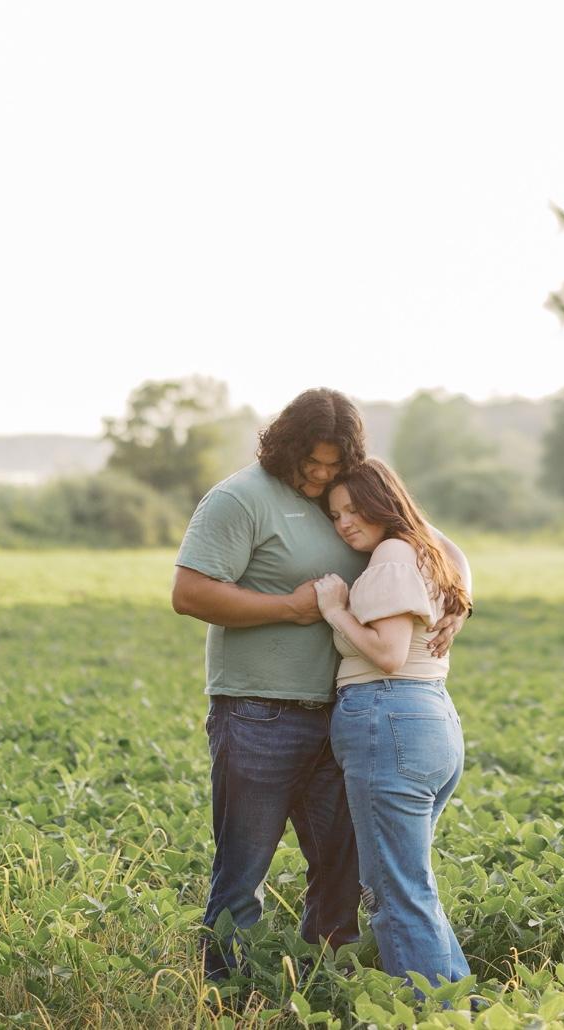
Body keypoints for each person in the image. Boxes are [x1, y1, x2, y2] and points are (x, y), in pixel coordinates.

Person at [170, 388, 469, 981]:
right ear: (282, 444)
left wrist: (462, 601)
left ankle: (322, 981)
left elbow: (440, 545)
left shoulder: (352, 497)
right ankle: (229, 991)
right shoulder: (240, 498)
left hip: (346, 715)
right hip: (260, 713)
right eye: (312, 460)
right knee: (243, 868)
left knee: (340, 868)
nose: (322, 473)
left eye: (334, 463)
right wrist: (290, 607)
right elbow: (189, 594)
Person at [313, 458, 472, 989]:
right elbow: (455, 551)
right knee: (410, 885)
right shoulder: (425, 551)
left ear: (385, 504)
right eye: (335, 515)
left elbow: (387, 652)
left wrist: (337, 610)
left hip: (390, 716)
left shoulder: (391, 554)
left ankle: (432, 1015)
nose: (345, 523)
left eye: (355, 509)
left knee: (394, 890)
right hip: (429, 718)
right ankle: (457, 1009)